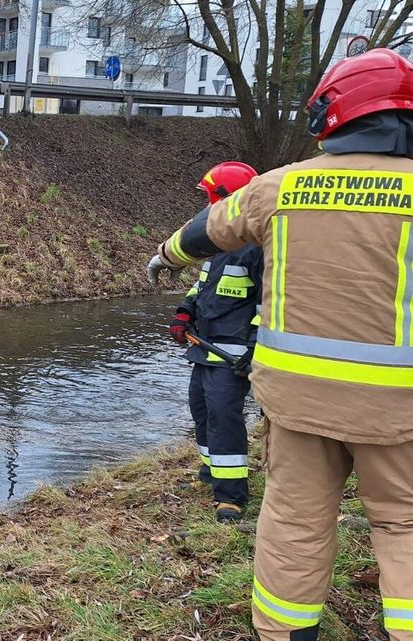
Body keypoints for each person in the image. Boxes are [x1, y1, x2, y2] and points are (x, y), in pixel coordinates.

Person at [146, 48, 413, 641]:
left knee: (295, 520)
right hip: (401, 410)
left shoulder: (281, 188)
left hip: (298, 404)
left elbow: (203, 231)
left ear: (332, 115)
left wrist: (162, 257)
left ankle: (287, 633)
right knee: (404, 526)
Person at [169, 161, 261, 522]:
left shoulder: (258, 247)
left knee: (224, 418)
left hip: (232, 353)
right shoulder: (222, 245)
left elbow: (270, 303)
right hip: (205, 348)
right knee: (202, 411)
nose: (208, 207)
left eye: (211, 199)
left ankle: (231, 496)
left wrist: (255, 348)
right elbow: (203, 287)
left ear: (229, 199)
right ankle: (211, 474)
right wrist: (184, 313)